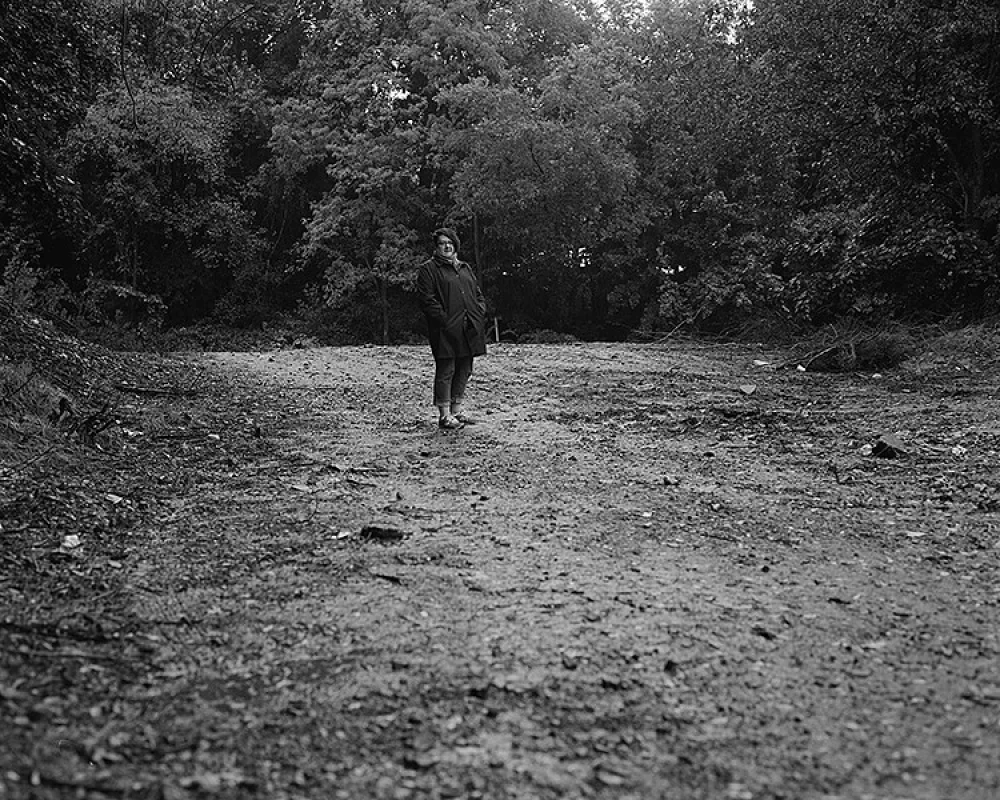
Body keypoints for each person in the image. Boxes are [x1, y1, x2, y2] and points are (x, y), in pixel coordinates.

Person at [416, 227, 487, 429]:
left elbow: (477, 294)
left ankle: (457, 411)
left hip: (469, 325)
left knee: (465, 368)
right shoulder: (428, 269)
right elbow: (427, 300)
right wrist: (444, 319)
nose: (447, 246)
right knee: (446, 369)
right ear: (436, 247)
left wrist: (479, 311)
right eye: (442, 243)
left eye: (450, 242)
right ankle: (444, 415)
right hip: (445, 328)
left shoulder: (465, 268)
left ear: (455, 245)